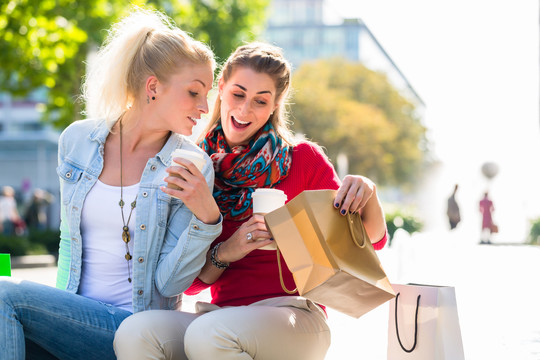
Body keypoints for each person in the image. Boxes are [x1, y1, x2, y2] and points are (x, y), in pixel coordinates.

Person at [114, 42, 387, 360]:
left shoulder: (303, 159)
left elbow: (372, 240)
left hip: (296, 315)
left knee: (210, 335)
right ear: (221, 88)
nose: (245, 110)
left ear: (274, 105)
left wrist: (367, 192)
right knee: (138, 332)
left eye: (261, 101)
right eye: (238, 94)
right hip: (220, 314)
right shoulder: (195, 164)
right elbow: (188, 285)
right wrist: (233, 247)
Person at [0, 9, 222, 360]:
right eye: (194, 92)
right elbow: (68, 240)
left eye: (206, 94)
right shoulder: (77, 141)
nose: (205, 106)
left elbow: (169, 284)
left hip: (138, 327)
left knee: (3, 292)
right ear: (153, 87)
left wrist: (206, 221)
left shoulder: (190, 164)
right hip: (74, 317)